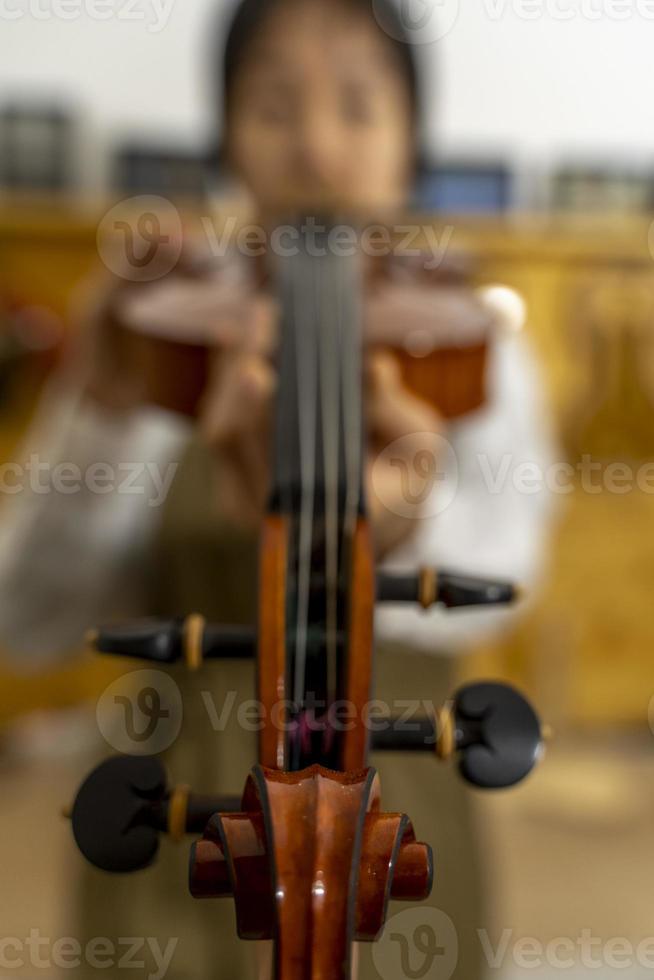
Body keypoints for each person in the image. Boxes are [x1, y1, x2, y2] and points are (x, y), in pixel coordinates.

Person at [0, 1, 554, 977]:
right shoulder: (161, 328)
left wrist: (403, 526)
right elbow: (29, 616)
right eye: (272, 106)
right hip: (176, 825)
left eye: (357, 105)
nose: (317, 148)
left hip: (394, 816)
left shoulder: (469, 335)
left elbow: (509, 564)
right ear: (227, 137)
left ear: (410, 137)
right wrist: (109, 405)